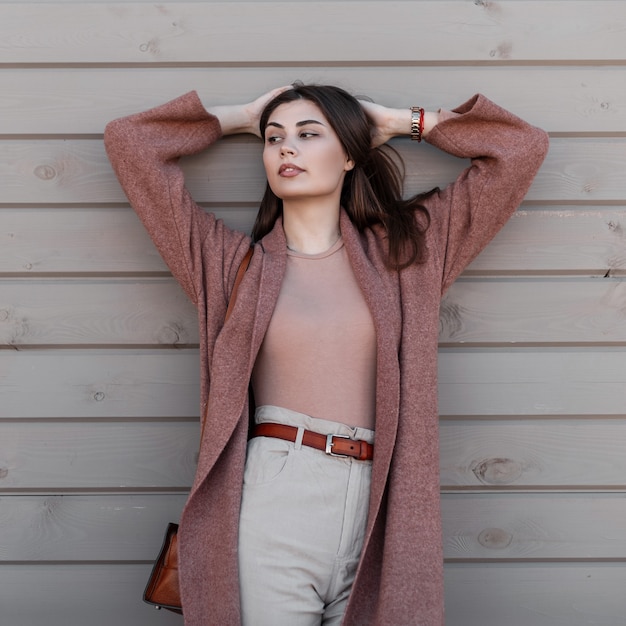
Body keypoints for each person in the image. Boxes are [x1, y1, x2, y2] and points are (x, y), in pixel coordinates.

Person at [104, 82, 548, 626]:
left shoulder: (410, 254)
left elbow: (521, 148)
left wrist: (395, 121)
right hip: (275, 497)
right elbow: (130, 143)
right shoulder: (228, 267)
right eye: (273, 139)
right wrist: (239, 117)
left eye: (309, 134)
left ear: (349, 157)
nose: (286, 147)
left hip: (381, 504)